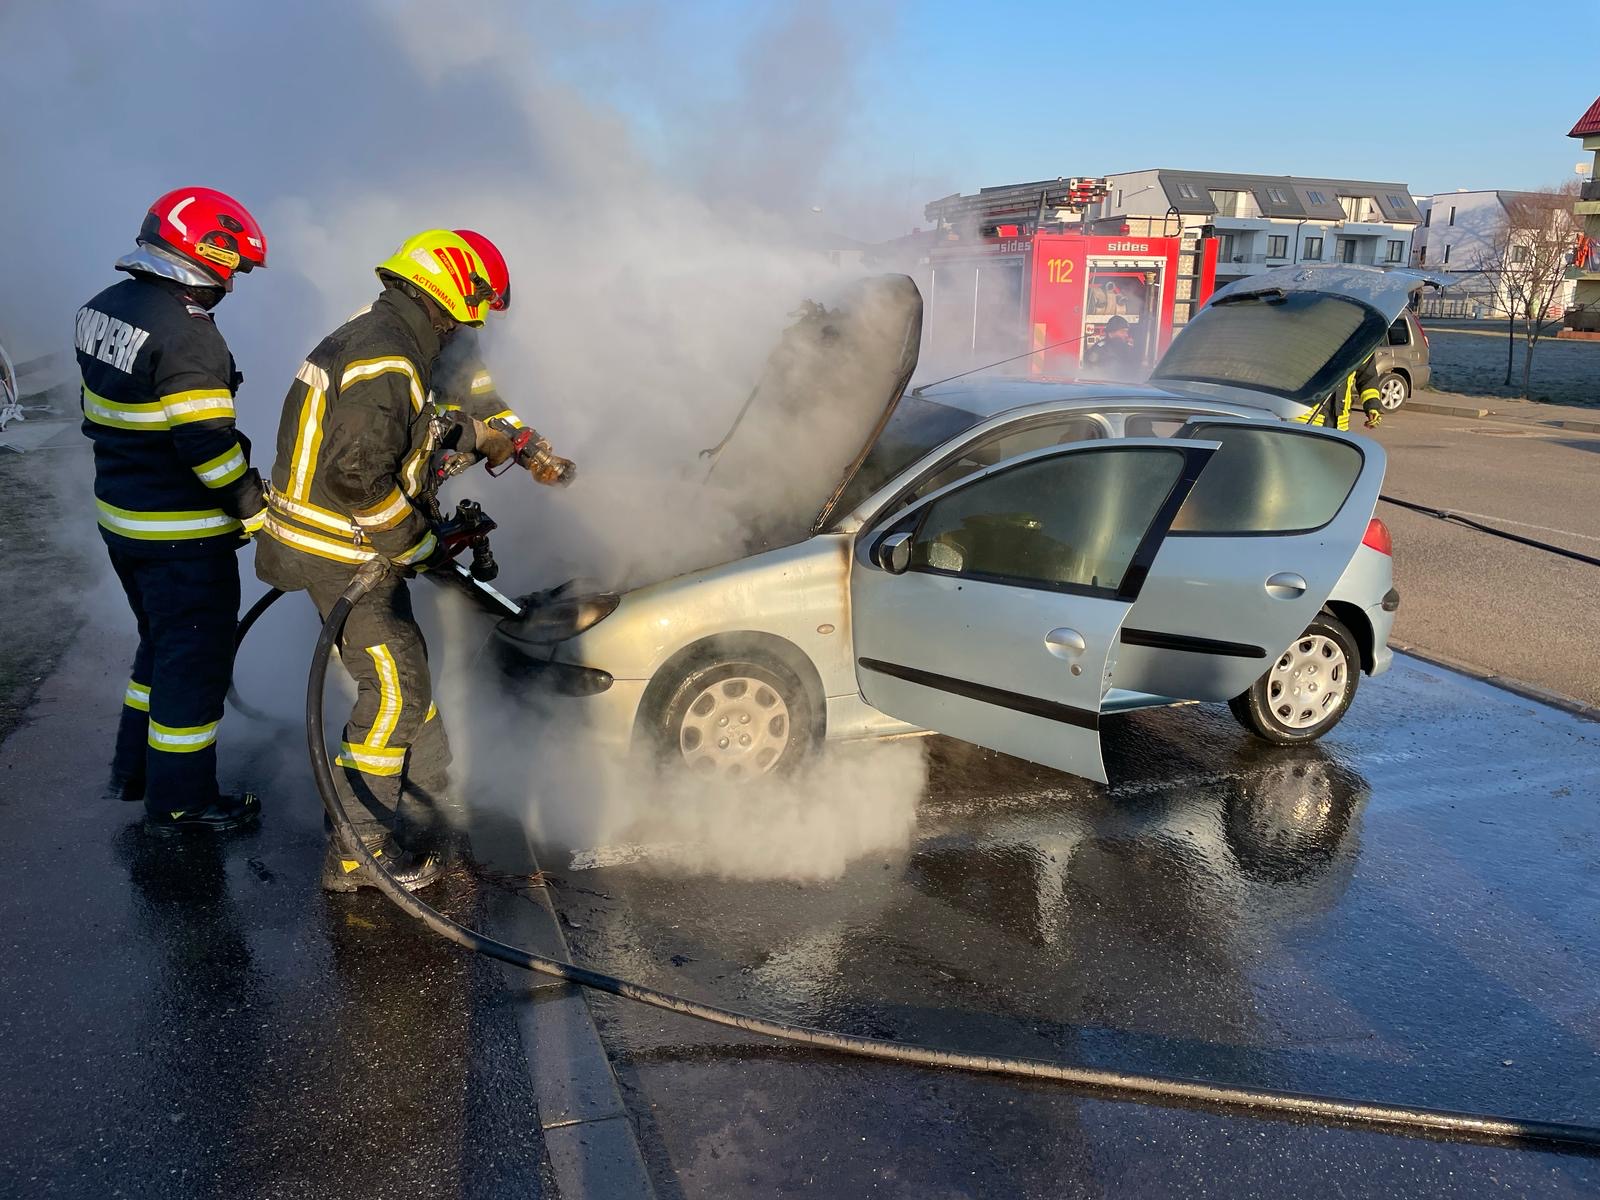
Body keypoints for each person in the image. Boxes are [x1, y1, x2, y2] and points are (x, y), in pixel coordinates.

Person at [255, 229, 572, 893]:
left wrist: (484, 434)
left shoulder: (392, 336)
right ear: (449, 290)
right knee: (394, 691)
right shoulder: (388, 356)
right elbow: (355, 475)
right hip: (340, 547)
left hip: (345, 540)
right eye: (469, 312)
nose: (470, 327)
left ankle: (431, 800)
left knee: (406, 674)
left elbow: (415, 424)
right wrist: (412, 542)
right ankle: (357, 852)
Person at [76, 187, 269, 834]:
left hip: (124, 519)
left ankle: (134, 770)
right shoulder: (188, 335)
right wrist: (252, 508)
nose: (230, 284)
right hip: (181, 538)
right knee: (194, 665)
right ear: (202, 252)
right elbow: (207, 445)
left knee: (158, 648)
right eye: (232, 267)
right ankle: (183, 801)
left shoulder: (102, 307)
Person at [1298, 354, 1383, 431]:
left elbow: (1367, 379)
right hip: (1304, 421)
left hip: (1340, 425)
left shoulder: (1360, 344)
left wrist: (1372, 407)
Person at [1089, 315, 1142, 381]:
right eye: (1122, 332)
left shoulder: (1128, 349)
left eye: (1126, 332)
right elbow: (1092, 372)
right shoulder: (1099, 350)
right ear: (1110, 333)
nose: (1126, 335)